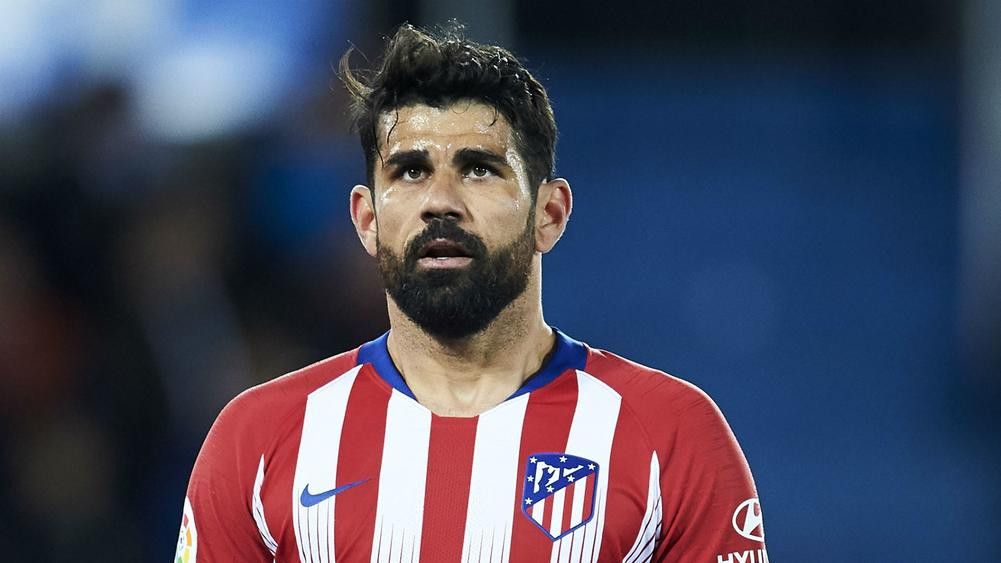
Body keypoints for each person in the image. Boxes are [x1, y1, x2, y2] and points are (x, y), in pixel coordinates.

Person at [175, 23, 767, 563]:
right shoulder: (258, 440)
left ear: (550, 214)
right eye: (410, 171)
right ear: (366, 220)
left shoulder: (671, 437)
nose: (441, 201)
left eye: (479, 168)